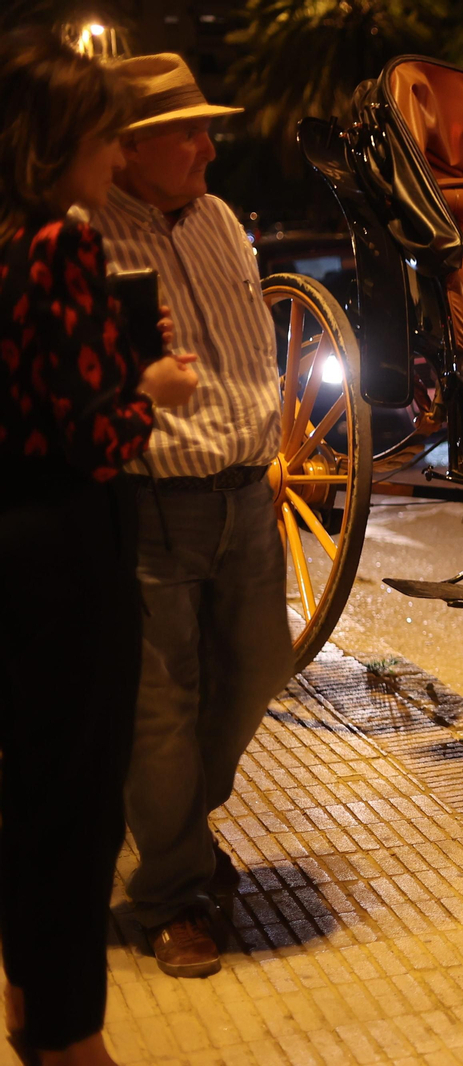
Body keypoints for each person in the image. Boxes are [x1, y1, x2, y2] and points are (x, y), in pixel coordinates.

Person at [0, 29, 198, 1066]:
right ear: (58, 141)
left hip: (11, 539)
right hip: (72, 552)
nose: (117, 159)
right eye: (105, 138)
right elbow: (92, 431)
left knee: (23, 789)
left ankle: (29, 1003)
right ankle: (73, 1040)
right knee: (77, 802)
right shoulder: (62, 244)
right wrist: (152, 392)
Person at [92, 53, 291, 980]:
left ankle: (172, 828)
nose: (209, 148)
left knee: (257, 666)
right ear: (127, 148)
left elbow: (253, 346)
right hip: (151, 506)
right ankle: (174, 893)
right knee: (159, 709)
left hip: (248, 494)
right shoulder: (85, 237)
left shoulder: (215, 219)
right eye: (187, 132)